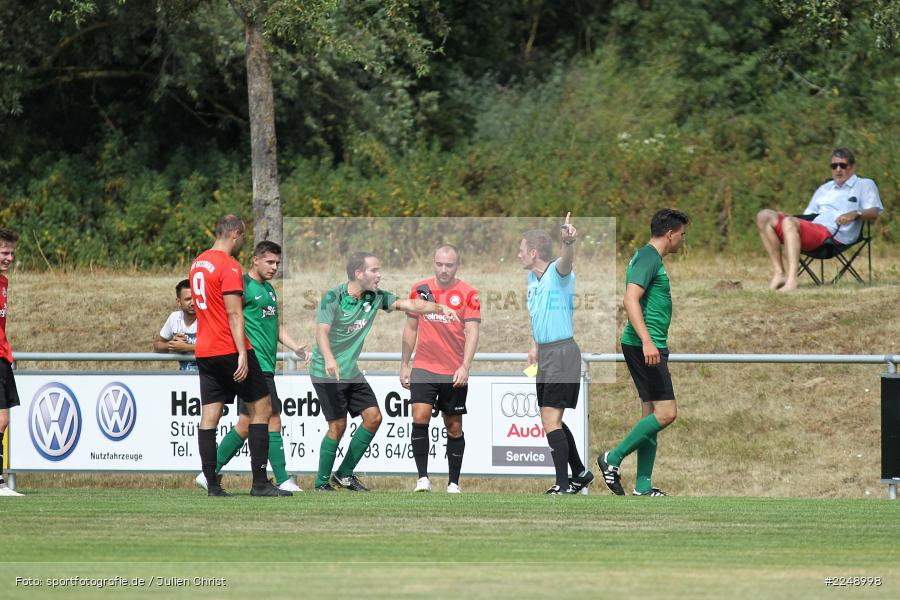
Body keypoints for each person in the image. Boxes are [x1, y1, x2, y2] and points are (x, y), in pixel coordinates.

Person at [310, 251, 458, 492]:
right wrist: (329, 359)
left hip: (350, 372)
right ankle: (320, 483)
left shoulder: (375, 296)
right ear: (359, 273)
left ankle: (344, 474)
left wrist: (440, 307)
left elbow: (409, 303)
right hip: (326, 372)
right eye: (374, 270)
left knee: (373, 418)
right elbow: (321, 331)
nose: (379, 275)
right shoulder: (333, 297)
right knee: (338, 425)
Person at [195, 241, 309, 492]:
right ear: (255, 259)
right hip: (253, 362)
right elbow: (231, 316)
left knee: (247, 423)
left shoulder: (269, 289)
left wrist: (295, 348)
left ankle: (209, 473)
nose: (274, 267)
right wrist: (241, 353)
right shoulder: (242, 284)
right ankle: (283, 479)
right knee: (272, 417)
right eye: (269, 262)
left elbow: (275, 324)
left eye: (277, 263)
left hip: (265, 363)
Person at [598, 208, 689, 497]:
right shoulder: (649, 257)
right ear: (670, 234)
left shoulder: (650, 258)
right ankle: (612, 458)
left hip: (648, 344)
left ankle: (643, 485)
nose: (683, 240)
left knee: (650, 416)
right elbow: (630, 299)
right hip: (644, 346)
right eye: (682, 235)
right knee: (667, 413)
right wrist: (648, 341)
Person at [518, 214, 594, 495]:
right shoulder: (531, 278)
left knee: (550, 420)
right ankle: (580, 473)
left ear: (533, 253)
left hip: (563, 352)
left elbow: (566, 261)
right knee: (552, 420)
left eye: (521, 249)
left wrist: (569, 242)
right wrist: (534, 344)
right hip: (546, 353)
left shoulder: (557, 272)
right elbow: (537, 315)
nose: (518, 254)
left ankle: (562, 485)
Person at [400, 244, 481, 494]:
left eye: (449, 265)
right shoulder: (420, 289)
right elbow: (410, 328)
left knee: (454, 427)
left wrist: (465, 366)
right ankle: (422, 479)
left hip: (452, 370)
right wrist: (405, 364)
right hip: (424, 366)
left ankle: (453, 483)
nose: (443, 269)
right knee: (419, 416)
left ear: (457, 265)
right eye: (439, 264)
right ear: (433, 263)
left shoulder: (468, 293)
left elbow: (472, 332)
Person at [756, 147, 883, 291]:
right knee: (764, 216)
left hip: (834, 236)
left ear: (853, 167)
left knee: (788, 222)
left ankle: (792, 281)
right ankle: (780, 273)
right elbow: (807, 216)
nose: (838, 169)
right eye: (834, 166)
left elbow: (874, 213)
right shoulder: (825, 188)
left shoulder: (864, 184)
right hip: (815, 231)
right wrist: (788, 216)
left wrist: (856, 213)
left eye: (843, 165)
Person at [0, 228, 23, 497]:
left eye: (12, 253)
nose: (9, 258)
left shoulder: (3, 282)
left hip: (3, 356)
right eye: (4, 252)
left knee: (3, 420)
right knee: (1, 419)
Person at [153, 279, 198, 370]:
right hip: (183, 375)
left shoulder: (208, 318)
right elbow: (157, 345)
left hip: (207, 375)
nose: (193, 303)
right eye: (188, 299)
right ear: (178, 301)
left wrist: (187, 347)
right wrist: (171, 345)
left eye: (196, 298)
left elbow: (218, 348)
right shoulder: (174, 317)